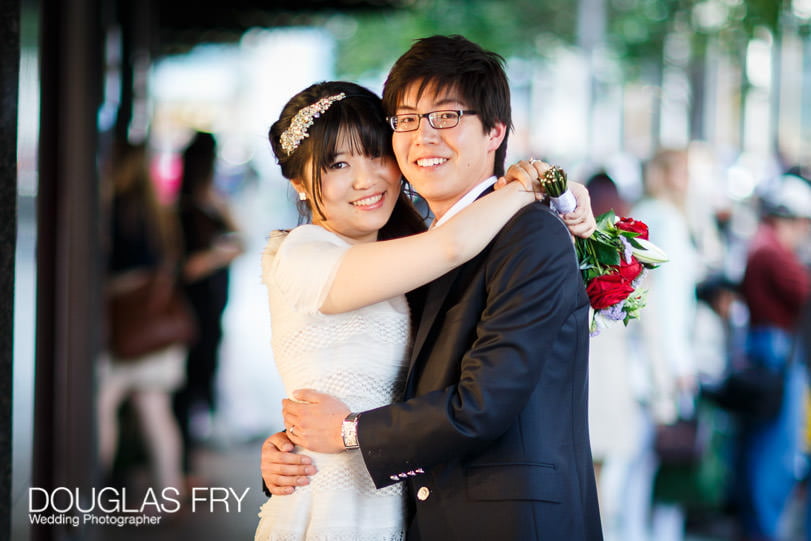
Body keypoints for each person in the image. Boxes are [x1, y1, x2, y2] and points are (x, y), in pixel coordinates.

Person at [262, 35, 603, 541]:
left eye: (446, 116)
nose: (423, 137)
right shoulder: (417, 248)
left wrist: (345, 431)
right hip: (390, 507)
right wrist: (293, 447)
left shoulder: (529, 235)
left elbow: (481, 405)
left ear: (495, 132)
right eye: (406, 120)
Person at [98, 140, 186, 495]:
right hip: (155, 329)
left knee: (101, 409)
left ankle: (86, 495)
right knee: (157, 414)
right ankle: (170, 495)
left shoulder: (115, 211)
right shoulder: (160, 211)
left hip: (123, 330)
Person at [736, 173, 811, 541]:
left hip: (772, 350)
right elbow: (804, 292)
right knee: (775, 455)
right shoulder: (770, 250)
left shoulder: (761, 246)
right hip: (776, 354)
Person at [173, 131, 244, 483]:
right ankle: (184, 461)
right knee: (188, 383)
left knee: (203, 376)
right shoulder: (181, 208)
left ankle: (193, 450)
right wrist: (219, 255)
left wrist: (220, 207)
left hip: (212, 308)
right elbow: (186, 267)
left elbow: (242, 240)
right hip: (191, 309)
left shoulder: (208, 201)